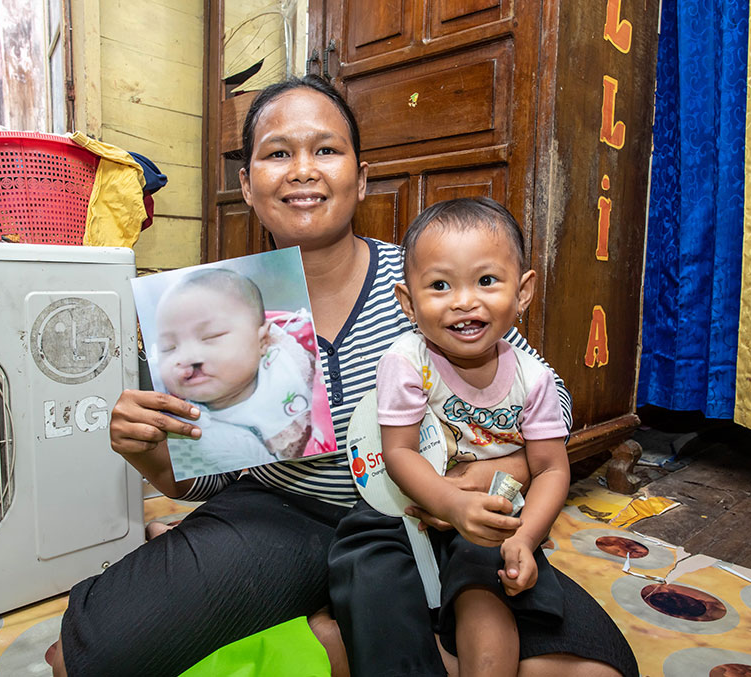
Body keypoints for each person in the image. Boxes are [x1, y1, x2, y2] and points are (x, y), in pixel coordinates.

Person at [46, 74, 637, 677]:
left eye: (326, 150)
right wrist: (148, 451)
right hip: (283, 515)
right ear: (248, 185)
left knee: (591, 673)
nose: (303, 170)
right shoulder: (220, 306)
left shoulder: (427, 284)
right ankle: (332, 622)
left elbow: (535, 403)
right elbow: (206, 480)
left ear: (361, 177)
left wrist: (489, 473)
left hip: (427, 518)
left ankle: (335, 629)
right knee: (82, 657)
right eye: (278, 153)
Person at [337, 196, 571, 677]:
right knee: (370, 572)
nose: (465, 301)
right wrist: (449, 503)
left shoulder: (535, 379)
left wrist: (525, 538)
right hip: (409, 505)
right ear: (408, 303)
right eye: (440, 285)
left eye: (486, 281)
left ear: (522, 292)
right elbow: (398, 453)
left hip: (493, 514)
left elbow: (550, 467)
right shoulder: (406, 363)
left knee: (485, 586)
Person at [154, 267, 315, 464]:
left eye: (211, 336)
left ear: (263, 341)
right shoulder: (180, 417)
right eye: (168, 347)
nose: (187, 356)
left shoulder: (295, 361)